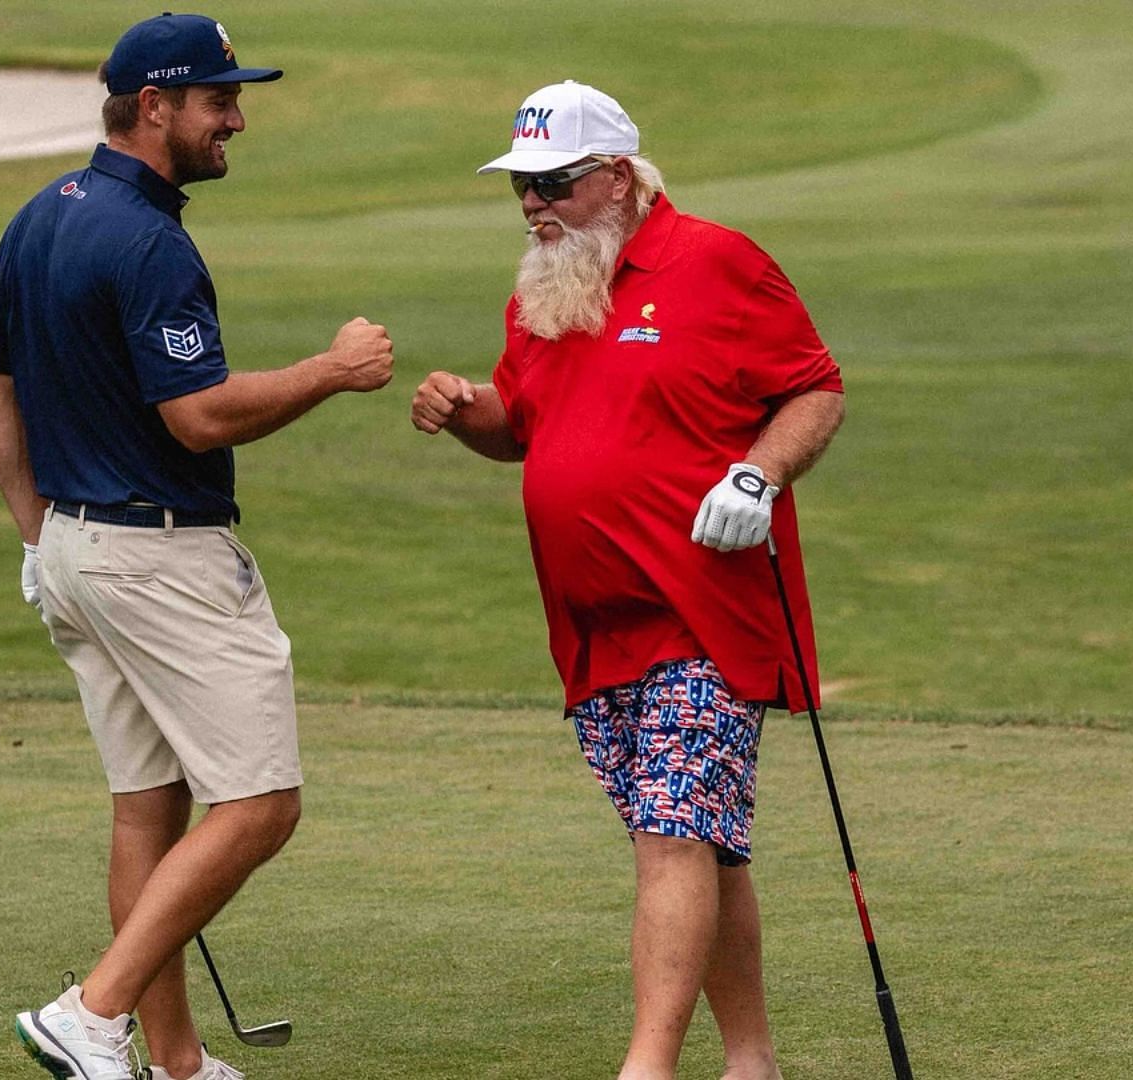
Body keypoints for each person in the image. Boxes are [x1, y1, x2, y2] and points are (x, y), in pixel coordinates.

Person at [0, 16, 393, 1080]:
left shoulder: (40, 214)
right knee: (259, 803)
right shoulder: (151, 241)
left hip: (75, 549)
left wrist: (38, 539)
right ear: (153, 108)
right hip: (159, 561)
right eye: (217, 100)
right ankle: (91, 1010)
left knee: (150, 807)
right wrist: (330, 370)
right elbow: (198, 416)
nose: (235, 119)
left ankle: (177, 1067)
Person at [412, 80, 845, 1080]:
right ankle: (751, 1061)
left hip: (707, 610)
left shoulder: (718, 261)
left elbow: (814, 389)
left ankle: (645, 1066)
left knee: (671, 835)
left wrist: (759, 473)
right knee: (702, 841)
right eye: (520, 186)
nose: (532, 205)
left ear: (616, 178)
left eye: (552, 182)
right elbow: (523, 429)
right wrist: (463, 405)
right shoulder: (548, 288)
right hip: (595, 626)